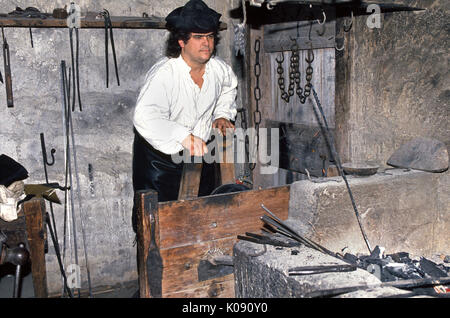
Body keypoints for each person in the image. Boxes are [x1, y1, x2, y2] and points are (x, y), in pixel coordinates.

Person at [132, 0, 238, 232]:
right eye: (199, 37)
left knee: (201, 219)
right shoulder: (165, 74)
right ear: (182, 41)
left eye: (210, 37)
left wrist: (221, 113)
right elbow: (145, 116)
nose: (206, 43)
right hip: (161, 162)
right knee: (160, 226)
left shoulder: (219, 70)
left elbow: (229, 88)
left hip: (199, 156)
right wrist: (182, 135)